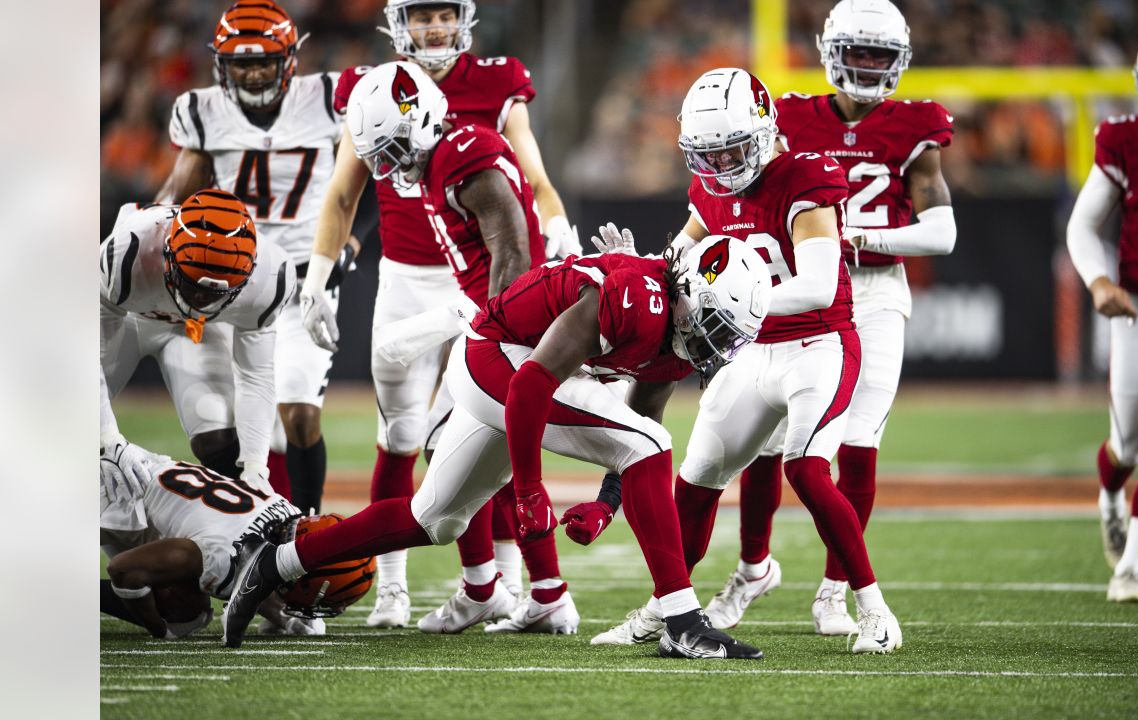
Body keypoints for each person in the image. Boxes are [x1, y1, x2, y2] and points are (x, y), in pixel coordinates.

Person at [221, 230, 773, 658]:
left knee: (433, 519)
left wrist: (606, 507)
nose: (716, 347)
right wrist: (530, 492)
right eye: (717, 327)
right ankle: (681, 621)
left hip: (509, 368)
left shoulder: (675, 334)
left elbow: (637, 420)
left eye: (729, 337)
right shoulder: (637, 298)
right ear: (691, 292)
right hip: (494, 360)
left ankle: (278, 562)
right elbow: (533, 384)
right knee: (651, 443)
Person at [592, 67, 902, 655]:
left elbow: (815, 285)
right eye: (708, 154)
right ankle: (666, 608)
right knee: (696, 478)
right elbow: (674, 262)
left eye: (733, 148)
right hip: (751, 353)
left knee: (807, 470)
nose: (723, 165)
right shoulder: (708, 190)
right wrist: (637, 268)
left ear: (763, 133)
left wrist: (736, 303)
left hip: (818, 344)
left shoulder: (806, 176)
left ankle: (874, 609)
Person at [302, 0, 580, 627]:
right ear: (399, 24)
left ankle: (503, 583)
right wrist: (318, 276)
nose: (433, 28)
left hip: (484, 284)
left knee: (479, 427)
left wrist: (557, 224)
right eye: (420, 16)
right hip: (407, 278)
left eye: (442, 14)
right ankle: (397, 588)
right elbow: (345, 191)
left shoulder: (490, 92)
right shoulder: (373, 91)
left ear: (463, 19)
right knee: (401, 433)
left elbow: (531, 180)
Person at [704, 0, 956, 636]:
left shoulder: (914, 127)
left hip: (871, 295)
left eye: (879, 54)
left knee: (859, 441)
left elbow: (942, 233)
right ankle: (752, 567)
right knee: (763, 441)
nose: (868, 66)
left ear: (898, 60)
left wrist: (858, 239)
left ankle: (835, 592)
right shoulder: (786, 116)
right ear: (829, 52)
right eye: (857, 52)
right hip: (794, 290)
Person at [156, 0, 352, 513]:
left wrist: (349, 243)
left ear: (289, 58)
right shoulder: (203, 112)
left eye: (264, 59)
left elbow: (364, 175)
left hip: (306, 276)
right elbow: (180, 195)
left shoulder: (332, 98)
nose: (254, 71)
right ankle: (264, 524)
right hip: (233, 279)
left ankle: (309, 526)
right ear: (222, 64)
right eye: (242, 62)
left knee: (299, 414)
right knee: (239, 426)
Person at [1066, 27, 1138, 604]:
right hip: (1137, 307)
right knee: (1128, 445)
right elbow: (1084, 224)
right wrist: (1100, 280)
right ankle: (1111, 492)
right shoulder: (1125, 140)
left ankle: (1128, 570)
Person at [100, 190, 293, 498]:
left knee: (217, 433)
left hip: (194, 331)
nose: (202, 300)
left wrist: (256, 465)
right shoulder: (127, 254)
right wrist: (108, 438)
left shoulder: (269, 280)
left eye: (215, 294)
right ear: (166, 255)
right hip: (129, 318)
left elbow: (255, 375)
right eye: (195, 287)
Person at [100, 446, 372, 637]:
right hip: (110, 494)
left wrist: (280, 615)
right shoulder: (223, 555)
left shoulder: (286, 512)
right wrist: (158, 629)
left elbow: (258, 568)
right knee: (187, 614)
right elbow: (124, 569)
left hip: (138, 466)